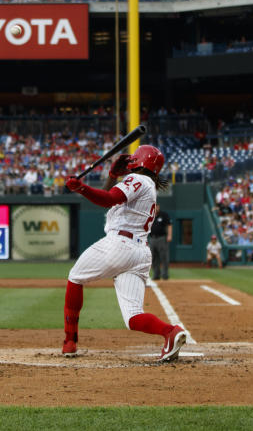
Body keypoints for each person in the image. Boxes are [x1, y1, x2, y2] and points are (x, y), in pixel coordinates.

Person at [62, 145, 190, 362]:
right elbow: (109, 197)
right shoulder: (146, 183)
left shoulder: (137, 180)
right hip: (140, 253)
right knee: (133, 317)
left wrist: (81, 188)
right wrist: (112, 175)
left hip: (119, 244)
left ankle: (70, 340)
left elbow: (108, 199)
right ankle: (170, 332)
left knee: (75, 278)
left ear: (139, 161)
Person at [148, 206, 172, 280]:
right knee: (154, 257)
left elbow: (169, 225)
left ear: (159, 207)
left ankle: (165, 275)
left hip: (161, 238)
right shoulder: (150, 215)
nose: (156, 208)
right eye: (154, 206)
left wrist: (169, 235)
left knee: (164, 257)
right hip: (152, 238)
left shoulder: (163, 215)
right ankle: (156, 274)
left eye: (157, 206)